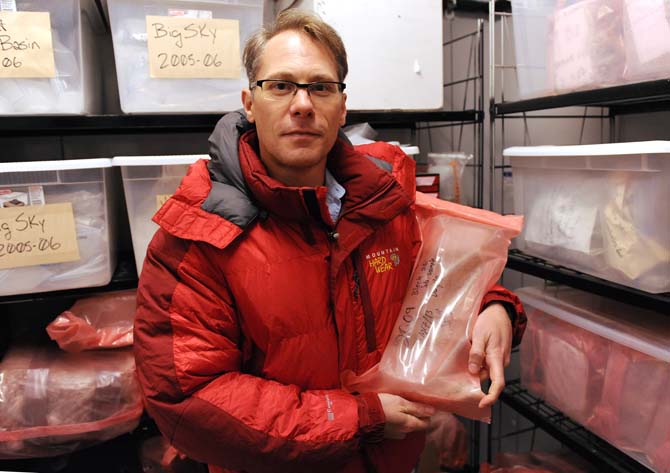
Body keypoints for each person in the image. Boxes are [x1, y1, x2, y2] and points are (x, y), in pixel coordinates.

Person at [134, 9, 526, 473]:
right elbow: (189, 399)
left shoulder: (385, 199)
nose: (302, 104)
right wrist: (358, 419)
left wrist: (493, 308)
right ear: (248, 102)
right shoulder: (197, 239)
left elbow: (442, 284)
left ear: (342, 107)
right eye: (280, 85)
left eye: (320, 87)